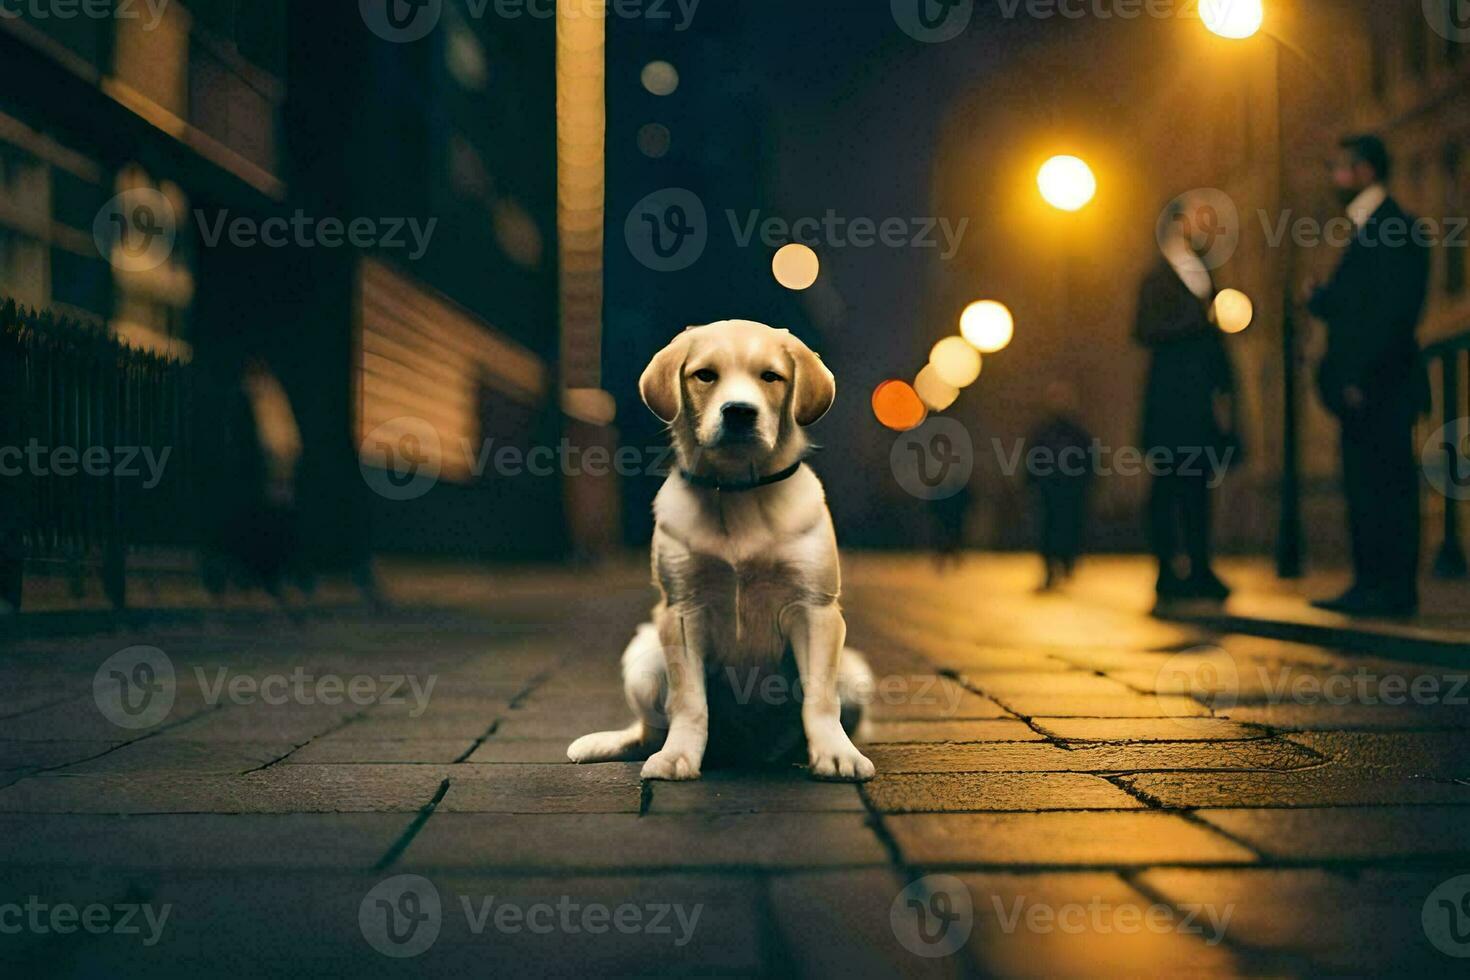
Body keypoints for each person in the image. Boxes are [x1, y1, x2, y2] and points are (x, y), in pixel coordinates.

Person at [1304, 134, 1430, 617]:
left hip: (1380, 387)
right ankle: (1371, 583)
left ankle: (1390, 588)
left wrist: (1360, 376)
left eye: (1340, 168)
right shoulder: (1372, 229)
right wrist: (1324, 299)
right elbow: (1362, 308)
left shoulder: (1393, 228)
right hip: (1367, 387)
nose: (1334, 178)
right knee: (1365, 487)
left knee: (1386, 488)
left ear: (1365, 172)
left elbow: (1393, 314)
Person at [1135, 191, 1238, 605]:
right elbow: (1143, 330)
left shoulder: (1206, 273)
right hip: (1169, 402)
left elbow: (1216, 336)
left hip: (1199, 402)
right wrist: (1193, 324)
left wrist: (1225, 388)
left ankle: (1200, 566)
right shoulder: (1155, 279)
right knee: (1166, 488)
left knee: (1198, 487)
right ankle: (1165, 570)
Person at [1027, 380, 1093, 590]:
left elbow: (1088, 460)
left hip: (1066, 490)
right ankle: (1057, 565)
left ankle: (1063, 563)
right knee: (1055, 528)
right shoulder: (1058, 433)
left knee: (1063, 527)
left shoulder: (1072, 434)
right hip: (1055, 490)